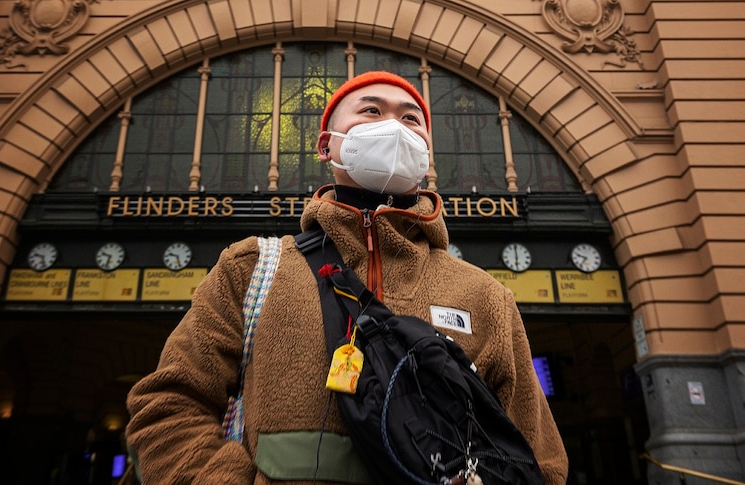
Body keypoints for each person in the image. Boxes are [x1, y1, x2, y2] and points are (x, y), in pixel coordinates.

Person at [125, 71, 569, 484]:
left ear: (428, 154)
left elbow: (538, 457)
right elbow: (167, 408)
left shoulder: (485, 296)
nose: (395, 127)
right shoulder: (251, 267)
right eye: (372, 111)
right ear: (326, 145)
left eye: (411, 119)